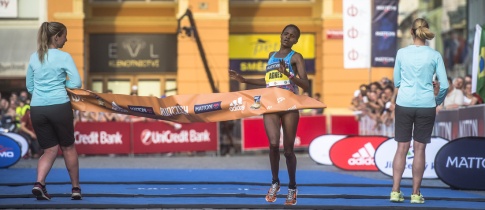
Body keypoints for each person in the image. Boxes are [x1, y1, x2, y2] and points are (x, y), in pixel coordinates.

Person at [229, 24, 309, 206]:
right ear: (281, 35)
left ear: (296, 40)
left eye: (292, 36)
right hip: (270, 103)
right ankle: (275, 182)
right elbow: (268, 81)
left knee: (288, 150)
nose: (288, 37)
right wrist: (244, 80)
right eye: (286, 34)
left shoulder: (296, 57)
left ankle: (292, 187)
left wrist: (288, 74)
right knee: (273, 144)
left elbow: (306, 85)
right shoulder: (271, 56)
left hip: (288, 104)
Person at [391, 18, 448, 204]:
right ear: (426, 31)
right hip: (426, 104)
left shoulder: (401, 53)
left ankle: (395, 191)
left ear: (411, 32)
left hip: (404, 103)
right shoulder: (435, 55)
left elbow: (397, 81)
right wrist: (436, 100)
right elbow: (445, 85)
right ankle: (415, 194)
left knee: (401, 148)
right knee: (420, 148)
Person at [26, 22, 83, 200]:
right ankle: (75, 189)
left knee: (49, 150)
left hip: (37, 108)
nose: (67, 39)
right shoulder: (64, 57)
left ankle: (39, 183)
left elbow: (29, 86)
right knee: (68, 147)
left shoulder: (34, 57)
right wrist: (60, 86)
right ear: (56, 37)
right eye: (65, 35)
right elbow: (76, 83)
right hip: (59, 106)